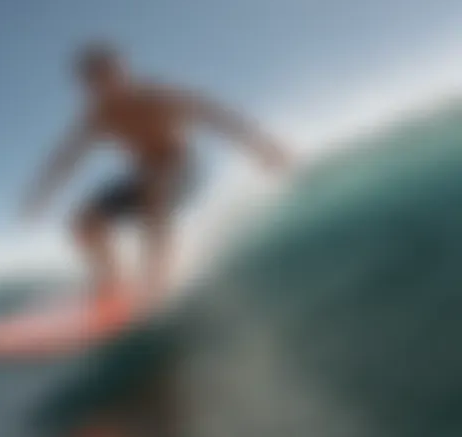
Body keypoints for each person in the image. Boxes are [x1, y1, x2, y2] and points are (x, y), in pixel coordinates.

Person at [21, 44, 292, 300]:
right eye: (93, 82)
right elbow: (65, 159)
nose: (103, 86)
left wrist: (263, 147)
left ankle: (157, 280)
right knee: (83, 223)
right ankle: (113, 283)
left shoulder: (158, 97)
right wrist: (40, 195)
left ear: (122, 71)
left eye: (108, 76)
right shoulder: (98, 117)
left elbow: (215, 115)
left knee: (155, 190)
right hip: (142, 178)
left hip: (183, 171)